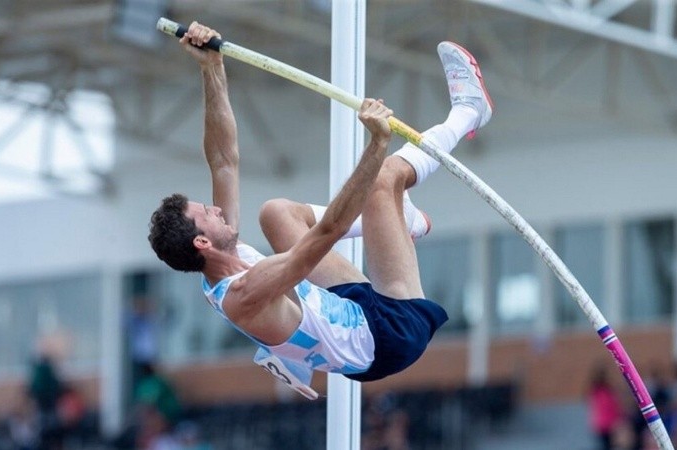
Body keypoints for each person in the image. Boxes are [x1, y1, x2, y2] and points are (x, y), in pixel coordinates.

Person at [147, 22, 493, 397]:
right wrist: (377, 144)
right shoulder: (246, 292)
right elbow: (328, 231)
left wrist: (211, 68)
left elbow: (223, 161)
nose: (216, 210)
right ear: (201, 242)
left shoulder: (219, 261)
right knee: (382, 180)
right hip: (388, 336)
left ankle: (399, 220)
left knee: (275, 213)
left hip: (344, 308)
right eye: (207, 213)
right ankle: (470, 112)